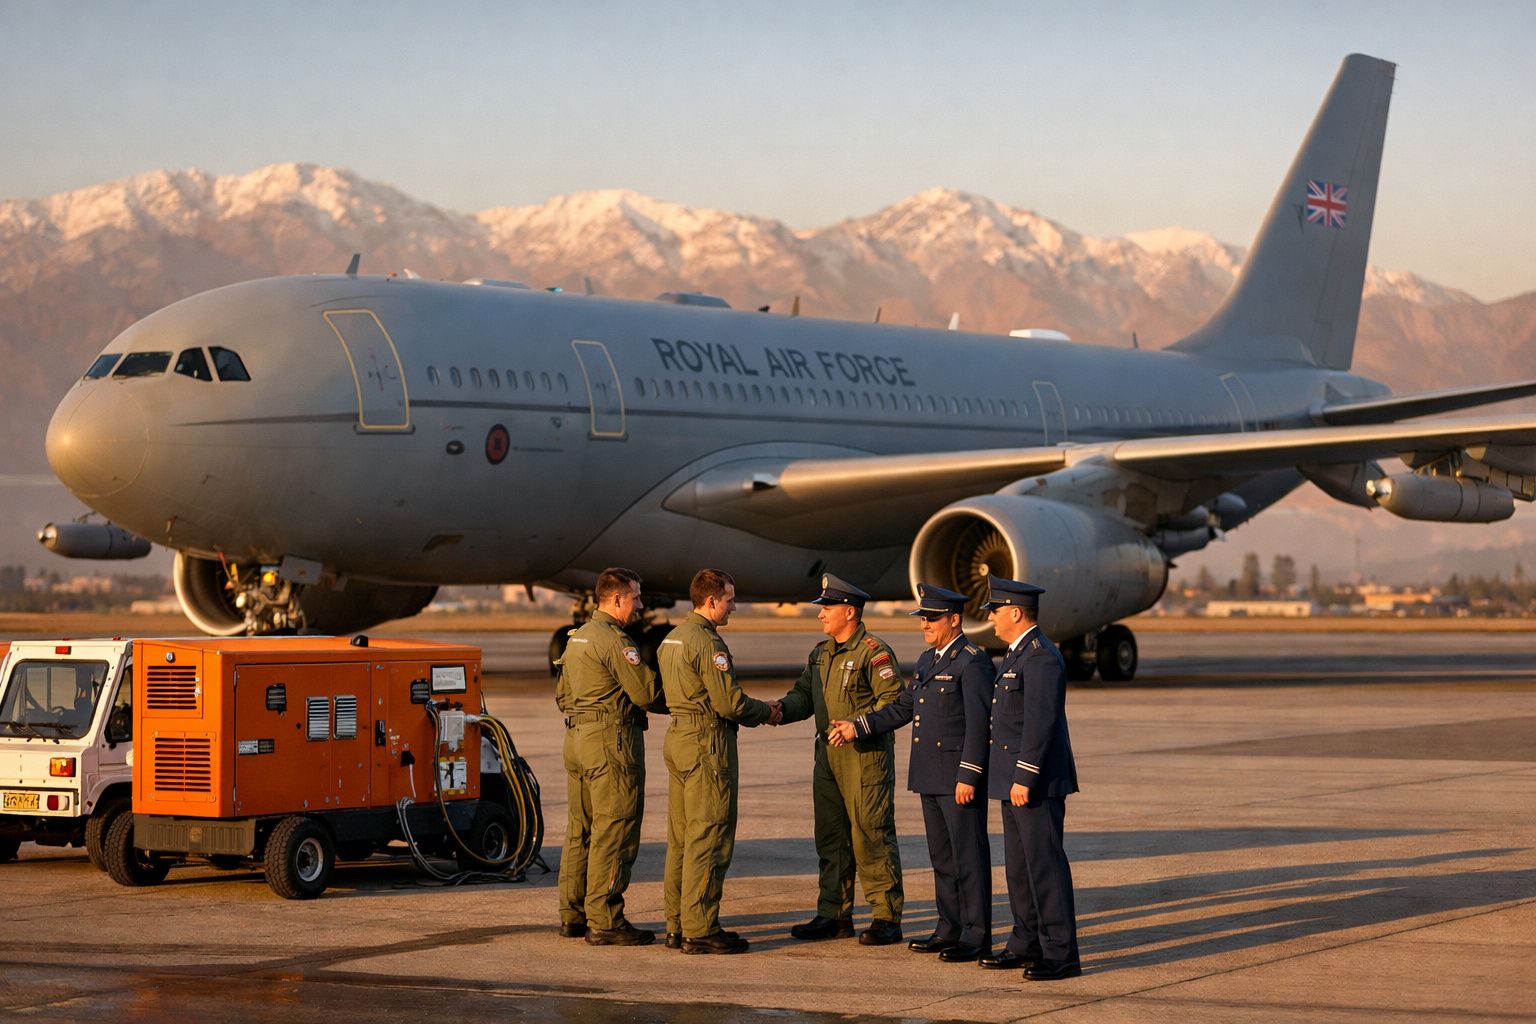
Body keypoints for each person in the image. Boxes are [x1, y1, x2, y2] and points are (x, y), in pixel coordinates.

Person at [827, 582, 994, 962]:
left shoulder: (973, 662)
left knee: (968, 857)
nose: (925, 624)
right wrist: (858, 726)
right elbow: (904, 708)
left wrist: (969, 775)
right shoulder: (927, 660)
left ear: (954, 620)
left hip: (957, 779)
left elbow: (979, 725)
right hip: (930, 775)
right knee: (943, 858)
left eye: (932, 618)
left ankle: (976, 935)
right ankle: (949, 928)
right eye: (922, 618)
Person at [774, 572, 905, 946]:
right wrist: (777, 709)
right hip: (828, 759)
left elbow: (895, 702)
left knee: (871, 835)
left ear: (849, 611)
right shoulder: (820, 654)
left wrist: (857, 726)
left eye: (827, 608)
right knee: (830, 838)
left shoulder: (873, 652)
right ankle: (834, 914)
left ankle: (886, 916)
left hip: (865, 759)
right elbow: (803, 695)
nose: (820, 614)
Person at [659, 569, 779, 955]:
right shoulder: (708, 643)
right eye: (729, 599)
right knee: (710, 837)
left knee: (681, 840)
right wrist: (767, 711)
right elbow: (730, 704)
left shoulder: (672, 639)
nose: (733, 607)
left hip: (679, 739)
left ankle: (677, 924)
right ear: (711, 601)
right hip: (706, 743)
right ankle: (700, 929)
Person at [554, 566, 667, 947]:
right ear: (617, 599)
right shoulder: (616, 642)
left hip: (577, 739)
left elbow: (562, 696)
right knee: (615, 829)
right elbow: (647, 694)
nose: (641, 605)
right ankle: (605, 919)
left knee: (580, 829)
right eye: (635, 598)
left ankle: (573, 914)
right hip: (610, 742)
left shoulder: (578, 638)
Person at [977, 575, 1081, 981]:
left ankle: (1060, 952)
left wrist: (1025, 776)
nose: (992, 618)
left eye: (996, 611)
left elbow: (1040, 722)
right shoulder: (1017, 654)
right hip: (1012, 781)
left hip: (1033, 783)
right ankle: (1025, 941)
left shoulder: (1040, 656)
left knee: (1044, 866)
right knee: (1019, 869)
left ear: (1016, 613)